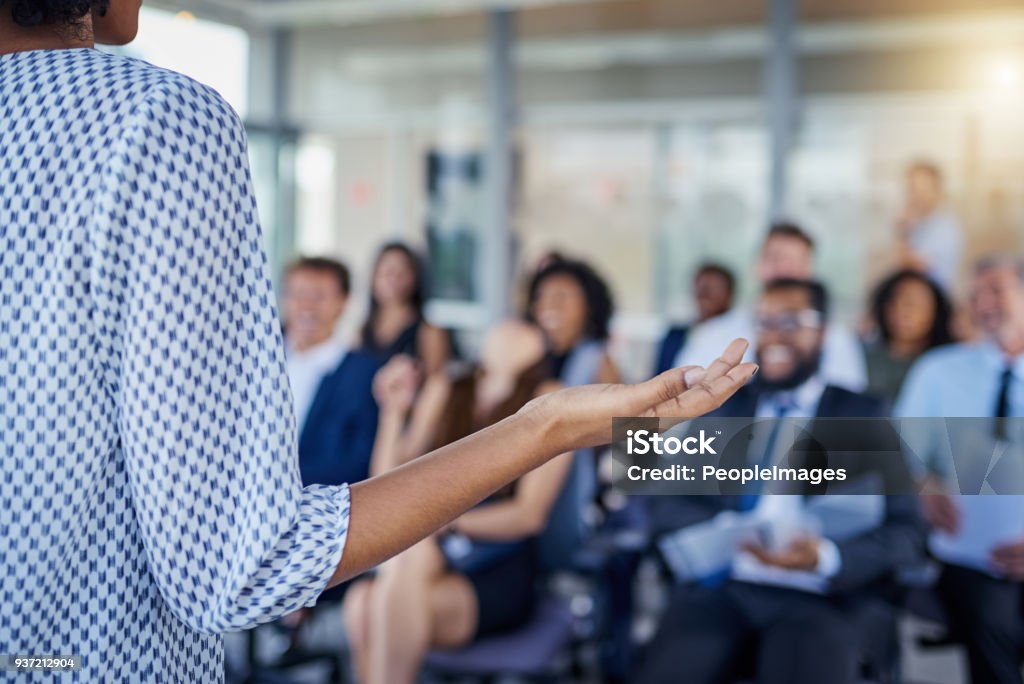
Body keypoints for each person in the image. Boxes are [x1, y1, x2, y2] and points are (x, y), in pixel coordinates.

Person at [0, 6, 757, 679]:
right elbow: (241, 565)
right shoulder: (153, 119)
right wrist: (546, 426)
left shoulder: (573, 366)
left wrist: (556, 424)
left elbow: (582, 501)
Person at [639, 279, 923, 684]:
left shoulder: (864, 414)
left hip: (819, 597)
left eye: (792, 321)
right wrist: (719, 535)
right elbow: (666, 503)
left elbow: (908, 533)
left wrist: (826, 557)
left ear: (823, 330)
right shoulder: (724, 408)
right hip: (725, 586)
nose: (775, 334)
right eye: (766, 321)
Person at [345, 320, 571, 684]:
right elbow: (384, 484)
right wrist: (393, 411)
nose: (513, 326)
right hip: (424, 558)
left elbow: (528, 516)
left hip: (494, 564)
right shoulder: (448, 387)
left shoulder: (549, 397)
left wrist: (443, 521)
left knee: (379, 592)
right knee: (362, 603)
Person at [895, 255, 1024, 684]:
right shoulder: (939, 371)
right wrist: (922, 486)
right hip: (971, 558)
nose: (983, 304)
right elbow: (895, 457)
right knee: (994, 617)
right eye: (974, 296)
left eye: (995, 291)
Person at [677, 223, 868, 391]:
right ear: (757, 265)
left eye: (795, 262)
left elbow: (850, 405)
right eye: (776, 258)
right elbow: (683, 400)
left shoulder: (837, 338)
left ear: (810, 270)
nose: (785, 270)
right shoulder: (714, 334)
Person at [283, 257, 379, 487]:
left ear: (343, 302)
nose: (306, 306)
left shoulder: (364, 375)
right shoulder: (257, 362)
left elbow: (357, 463)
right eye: (296, 294)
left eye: (318, 296)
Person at [862, 269, 954, 404]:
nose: (902, 311)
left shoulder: (942, 367)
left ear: (936, 312)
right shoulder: (860, 357)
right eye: (895, 302)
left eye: (913, 304)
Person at [360, 241, 451, 376]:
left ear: (415, 277)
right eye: (386, 271)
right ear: (373, 277)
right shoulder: (361, 332)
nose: (393, 278)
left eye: (401, 272)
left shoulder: (429, 331)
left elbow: (437, 383)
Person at [527, 257, 620, 386]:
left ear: (589, 306)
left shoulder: (599, 363)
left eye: (561, 296)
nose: (549, 305)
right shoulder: (528, 355)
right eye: (540, 297)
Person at [653, 262, 736, 376]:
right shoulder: (675, 335)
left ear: (730, 294)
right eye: (701, 287)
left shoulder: (738, 336)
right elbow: (656, 377)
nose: (705, 294)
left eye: (715, 288)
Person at [895, 160, 964, 292]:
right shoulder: (915, 224)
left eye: (920, 188)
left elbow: (915, 265)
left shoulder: (945, 227)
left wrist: (902, 233)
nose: (914, 195)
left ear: (936, 190)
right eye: (911, 189)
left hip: (933, 303)